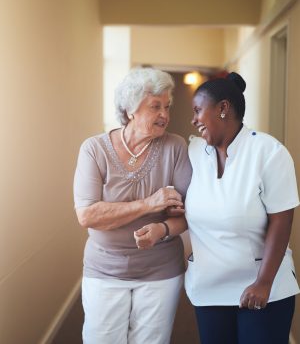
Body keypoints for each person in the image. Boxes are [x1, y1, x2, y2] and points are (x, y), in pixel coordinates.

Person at [73, 67, 192, 344]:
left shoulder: (175, 148)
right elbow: (88, 215)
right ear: (130, 111)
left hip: (160, 270)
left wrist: (162, 228)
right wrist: (151, 203)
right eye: (155, 106)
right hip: (104, 269)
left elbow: (187, 215)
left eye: (167, 106)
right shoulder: (94, 150)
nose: (165, 114)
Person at [184, 72, 299, 344]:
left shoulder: (269, 152)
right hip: (209, 289)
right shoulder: (195, 153)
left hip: (260, 288)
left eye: (198, 110)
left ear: (223, 108)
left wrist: (264, 282)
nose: (193, 119)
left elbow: (281, 221)